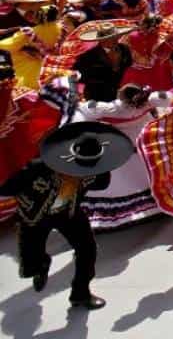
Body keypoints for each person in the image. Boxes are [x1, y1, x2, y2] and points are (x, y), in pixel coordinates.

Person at [0, 121, 134, 309]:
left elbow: (101, 185)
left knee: (87, 249)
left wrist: (104, 167)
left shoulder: (94, 169)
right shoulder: (39, 166)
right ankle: (41, 265)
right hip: (35, 216)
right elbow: (9, 187)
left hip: (69, 213)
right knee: (32, 261)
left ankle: (81, 293)